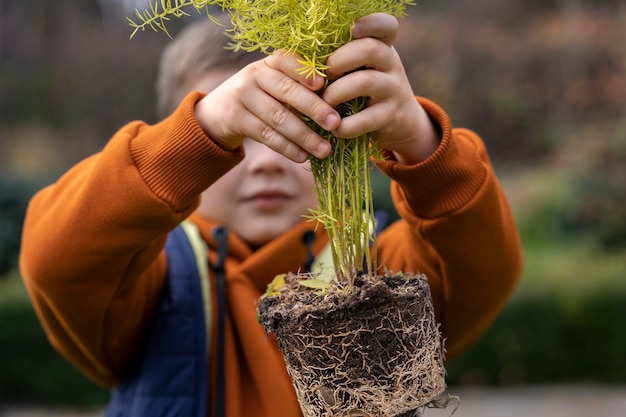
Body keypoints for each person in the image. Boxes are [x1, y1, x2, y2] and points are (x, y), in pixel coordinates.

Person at [19, 12, 523, 417]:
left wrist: (419, 141)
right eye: (238, 137)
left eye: (296, 129)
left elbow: (484, 269)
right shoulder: (153, 279)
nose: (265, 164)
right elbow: (57, 261)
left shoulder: (375, 271)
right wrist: (203, 129)